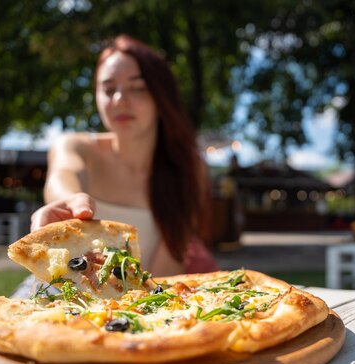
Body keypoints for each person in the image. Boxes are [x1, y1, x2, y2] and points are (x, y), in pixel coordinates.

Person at [24, 35, 217, 286]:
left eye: (137, 88)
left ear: (162, 97)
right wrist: (67, 203)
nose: (119, 100)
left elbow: (165, 272)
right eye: (108, 89)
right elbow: (63, 176)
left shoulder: (188, 170)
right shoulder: (77, 146)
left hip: (139, 309)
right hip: (60, 299)